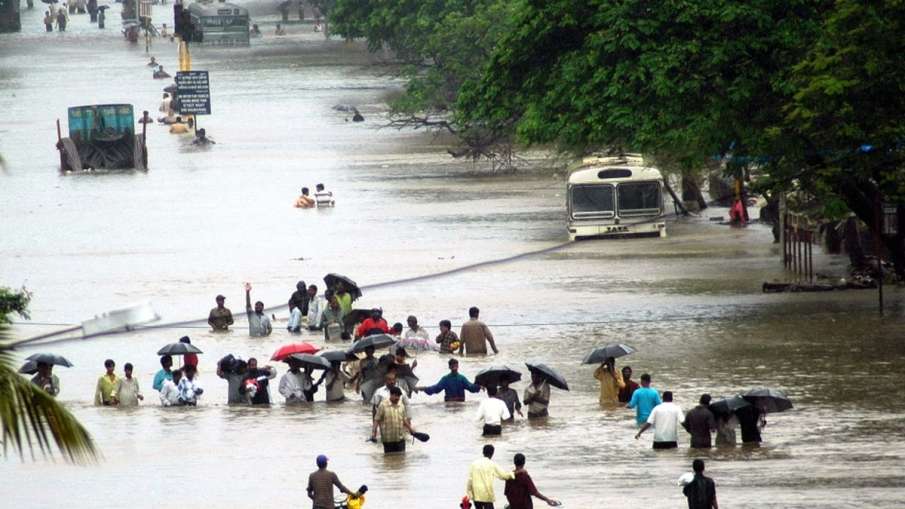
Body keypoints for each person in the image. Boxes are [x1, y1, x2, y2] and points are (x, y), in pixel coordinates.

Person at [467, 444, 515, 509]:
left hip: (476, 493)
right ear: (492, 453)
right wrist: (513, 473)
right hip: (486, 493)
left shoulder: (474, 464)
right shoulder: (492, 464)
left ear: (483, 452)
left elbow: (470, 480)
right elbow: (503, 476)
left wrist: (469, 493)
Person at [372, 386, 415, 453]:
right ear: (391, 395)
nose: (397, 398)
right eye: (396, 396)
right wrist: (374, 434)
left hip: (400, 440)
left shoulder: (401, 405)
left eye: (398, 396)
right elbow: (376, 419)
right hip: (388, 441)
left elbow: (404, 420)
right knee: (389, 460)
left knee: (401, 460)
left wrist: (410, 429)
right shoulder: (383, 405)